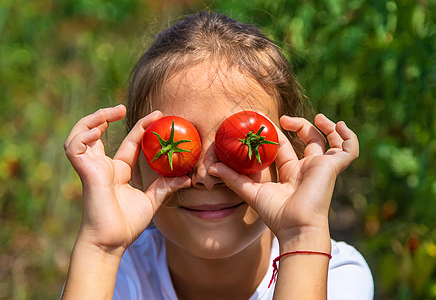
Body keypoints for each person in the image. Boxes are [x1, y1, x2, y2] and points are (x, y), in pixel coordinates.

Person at [61, 11, 373, 299]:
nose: (207, 176)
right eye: (173, 144)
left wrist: (302, 234)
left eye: (244, 144)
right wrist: (101, 247)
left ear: (289, 158)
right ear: (136, 165)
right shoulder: (112, 275)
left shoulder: (336, 276)